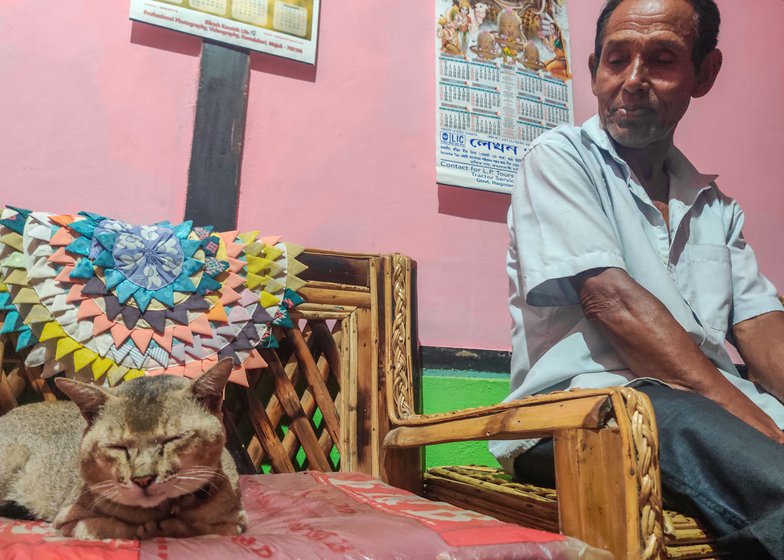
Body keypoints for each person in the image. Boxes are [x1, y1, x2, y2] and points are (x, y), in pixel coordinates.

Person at [490, 0, 784, 557]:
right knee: (721, 443)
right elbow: (612, 304)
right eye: (616, 58)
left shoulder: (715, 206)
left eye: (663, 60)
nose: (632, 81)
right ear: (595, 66)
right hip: (579, 414)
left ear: (705, 73)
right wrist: (758, 427)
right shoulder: (557, 159)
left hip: (701, 413)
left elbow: (763, 329)